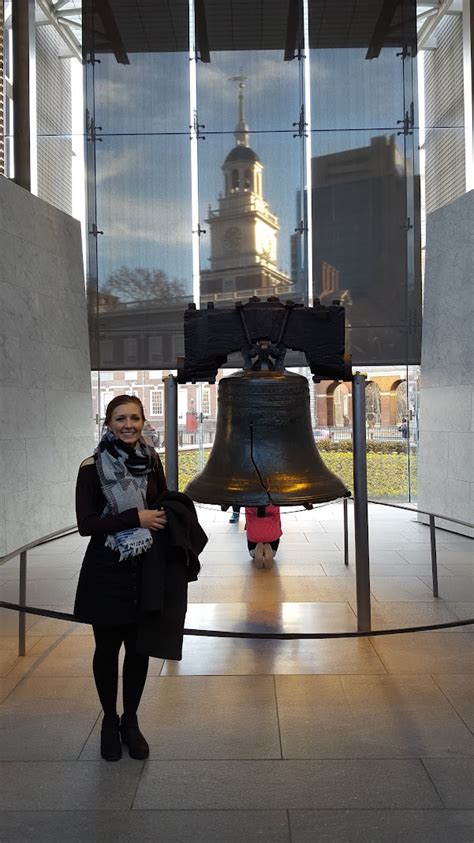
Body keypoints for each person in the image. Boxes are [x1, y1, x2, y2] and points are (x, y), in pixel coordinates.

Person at [74, 395, 206, 763]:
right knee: (106, 650)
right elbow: (87, 525)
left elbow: (160, 503)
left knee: (137, 649)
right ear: (108, 422)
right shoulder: (91, 467)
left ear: (143, 421)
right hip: (107, 569)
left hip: (145, 569)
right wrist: (137, 518)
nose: (127, 425)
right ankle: (109, 722)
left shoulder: (151, 462)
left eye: (134, 418)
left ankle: (130, 721)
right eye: (120, 419)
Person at [245, 505, 282, 569]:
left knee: (251, 507)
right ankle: (267, 546)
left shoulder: (247, 498)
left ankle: (258, 549)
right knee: (273, 506)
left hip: (253, 537)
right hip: (273, 537)